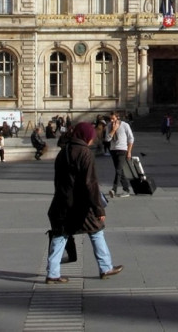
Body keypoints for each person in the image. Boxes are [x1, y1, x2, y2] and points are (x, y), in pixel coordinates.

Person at [45, 121, 122, 284]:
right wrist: (99, 209)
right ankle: (106, 267)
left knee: (60, 235)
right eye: (92, 137)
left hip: (62, 201)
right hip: (81, 204)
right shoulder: (85, 153)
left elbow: (58, 180)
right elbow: (90, 183)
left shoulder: (63, 151)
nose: (93, 140)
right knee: (96, 230)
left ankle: (52, 273)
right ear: (86, 137)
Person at [107, 112, 135, 198]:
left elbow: (131, 138)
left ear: (118, 118)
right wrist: (113, 130)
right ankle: (126, 189)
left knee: (118, 170)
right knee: (120, 170)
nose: (111, 120)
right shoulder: (109, 126)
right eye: (110, 119)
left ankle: (113, 189)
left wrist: (129, 151)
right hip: (113, 150)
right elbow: (107, 139)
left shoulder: (125, 125)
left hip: (122, 150)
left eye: (113, 118)